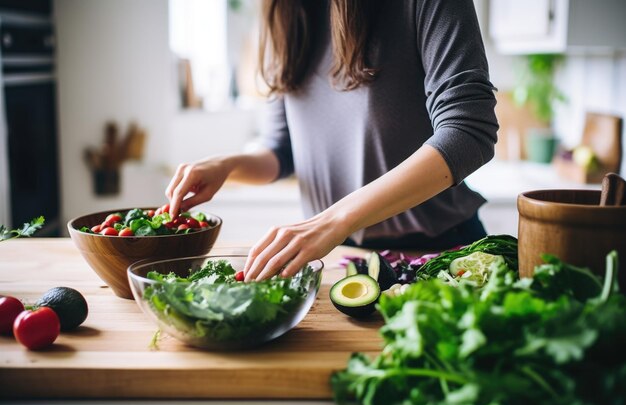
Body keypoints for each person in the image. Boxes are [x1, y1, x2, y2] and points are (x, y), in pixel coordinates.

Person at [165, 0, 498, 282]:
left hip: (439, 256)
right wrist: (227, 165)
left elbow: (468, 132)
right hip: (345, 259)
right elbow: (282, 150)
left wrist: (331, 222)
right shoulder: (282, 12)